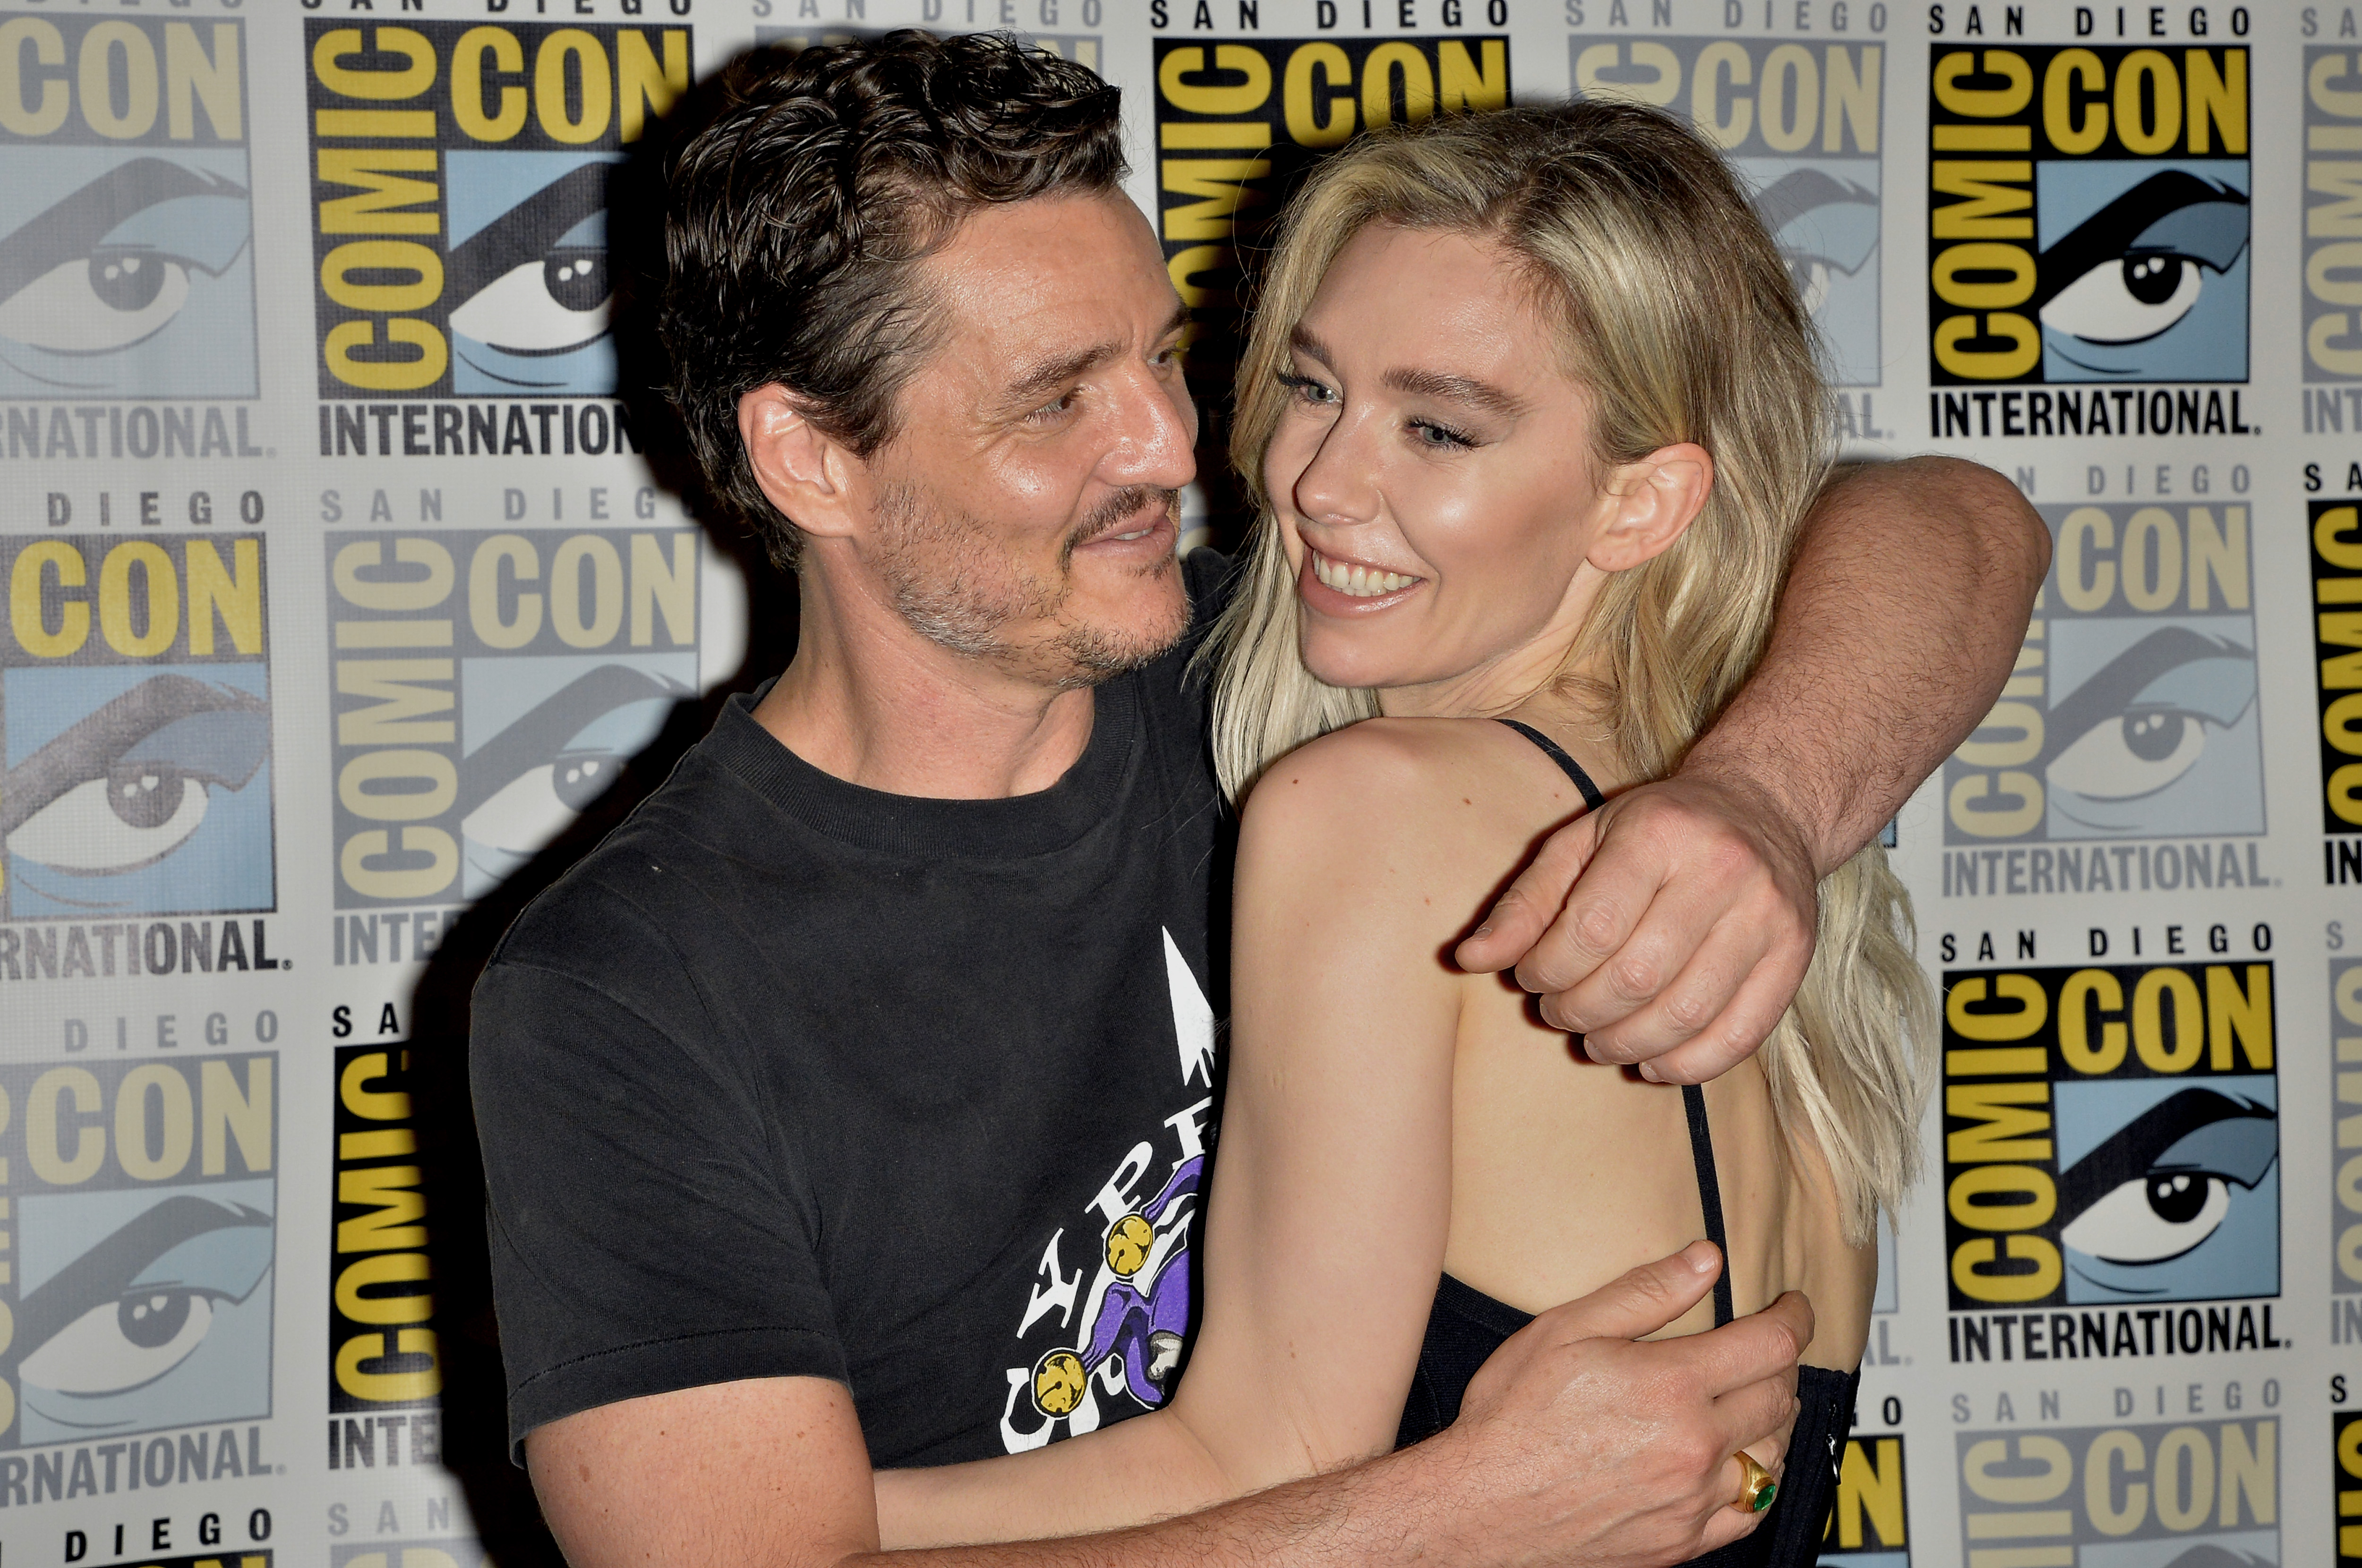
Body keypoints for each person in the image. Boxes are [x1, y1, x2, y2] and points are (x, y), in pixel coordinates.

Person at [467, 32, 2048, 1568]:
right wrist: (1464, 1513)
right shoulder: (626, 992)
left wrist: (1766, 794)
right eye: (1057, 396)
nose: (1184, 447)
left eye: (1163, 355)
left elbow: (1956, 515)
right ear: (811, 461)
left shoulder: (1316, 687)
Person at [872, 98, 1933, 1567]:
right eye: (1315, 388)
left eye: (1437, 426)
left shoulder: (1376, 812)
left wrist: (766, 1523)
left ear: (1642, 502)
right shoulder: (1783, 891)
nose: (1317, 484)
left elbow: (1264, 1457)